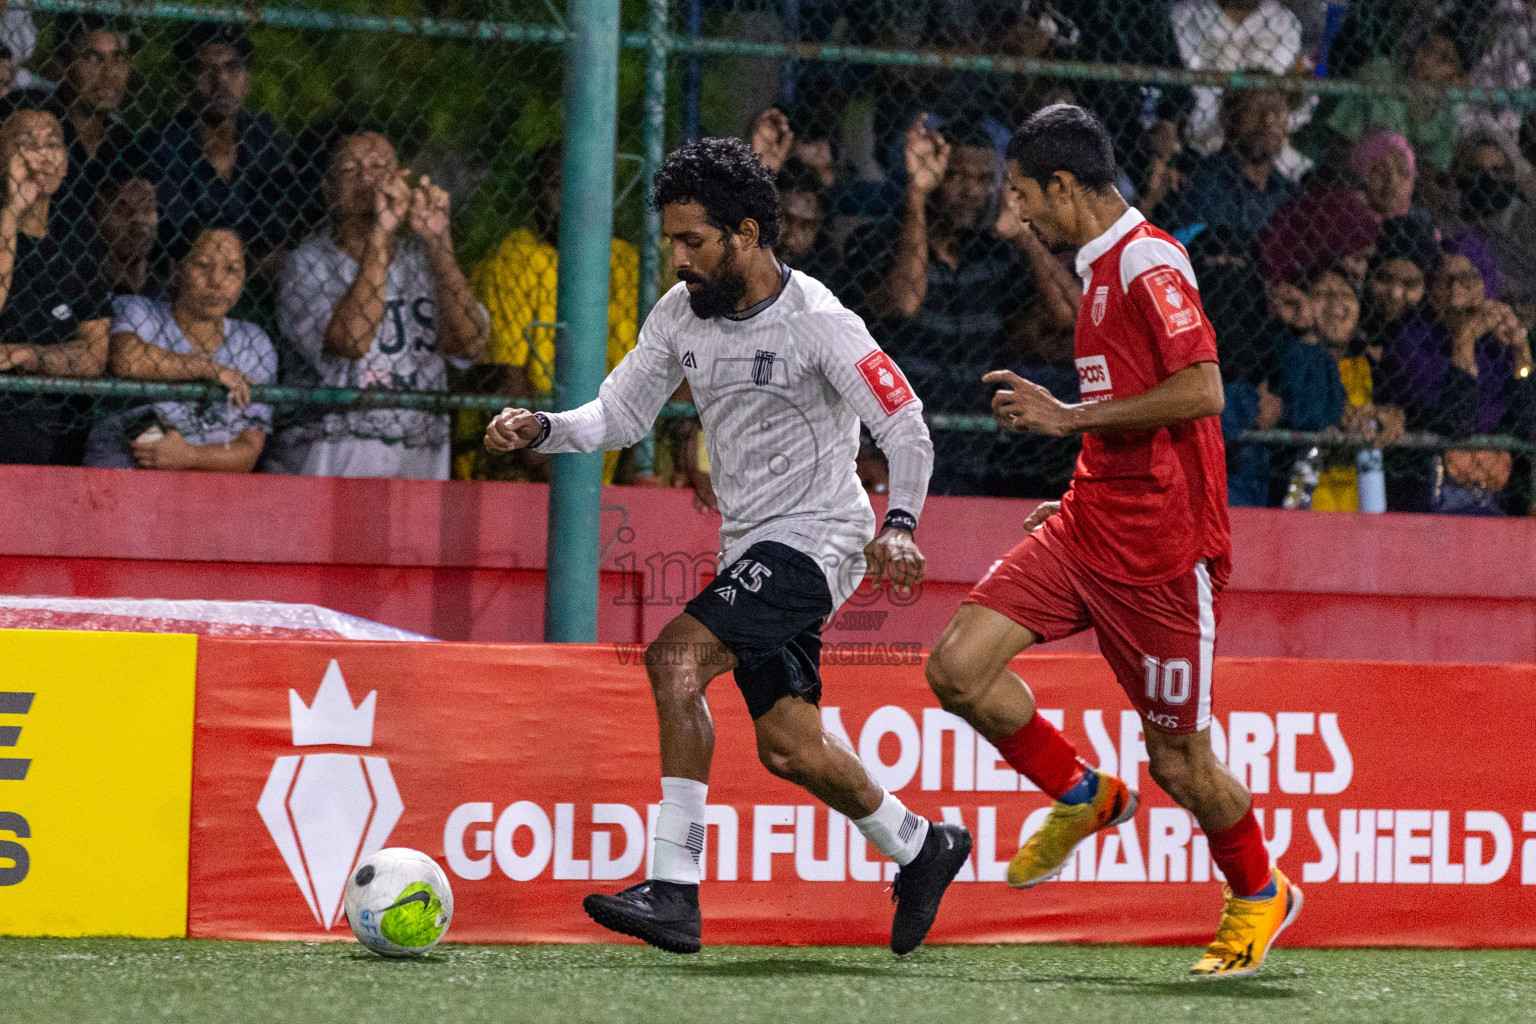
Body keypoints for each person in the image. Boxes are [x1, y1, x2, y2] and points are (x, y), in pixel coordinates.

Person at [484, 137, 968, 956]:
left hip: (822, 540)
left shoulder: (820, 321)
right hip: (751, 544)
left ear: (745, 233)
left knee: (675, 661)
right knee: (789, 744)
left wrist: (900, 526)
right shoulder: (680, 314)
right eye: (672, 240)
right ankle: (922, 846)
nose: (676, 259)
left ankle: (674, 886)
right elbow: (621, 416)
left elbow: (906, 424)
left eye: (692, 242)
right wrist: (545, 426)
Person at [921, 105, 1300, 980]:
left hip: (1163, 558)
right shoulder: (1094, 270)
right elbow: (1129, 416)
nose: (1016, 216)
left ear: (1064, 186)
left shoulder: (1148, 261)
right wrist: (1077, 483)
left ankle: (1258, 893)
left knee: (1180, 759)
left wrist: (1068, 417)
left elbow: (1203, 390)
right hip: (1088, 525)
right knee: (956, 669)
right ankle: (1084, 794)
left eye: (1022, 197)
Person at [865, 114, 1077, 495]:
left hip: (968, 459)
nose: (970, 192)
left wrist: (1024, 235)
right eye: (957, 177)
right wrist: (916, 193)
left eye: (982, 181)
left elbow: (1071, 314)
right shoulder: (885, 241)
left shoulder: (993, 257)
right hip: (893, 451)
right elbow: (906, 301)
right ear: (935, 177)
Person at [270, 131, 487, 478]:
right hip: (333, 457)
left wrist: (438, 243)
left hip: (419, 455)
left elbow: (469, 342)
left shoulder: (422, 260)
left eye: (378, 167)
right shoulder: (306, 263)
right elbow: (352, 342)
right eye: (349, 170)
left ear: (400, 179)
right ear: (328, 191)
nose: (366, 178)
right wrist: (382, 233)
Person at [457, 142, 639, 483]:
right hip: (522, 474)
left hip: (602, 470)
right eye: (558, 185)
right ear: (534, 193)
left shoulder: (627, 264)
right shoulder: (515, 259)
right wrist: (560, 474)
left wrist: (633, 468)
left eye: (586, 187)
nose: (573, 198)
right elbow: (505, 379)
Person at [84, 226, 275, 472]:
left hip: (205, 492)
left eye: (231, 269)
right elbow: (125, 359)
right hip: (123, 479)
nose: (216, 281)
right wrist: (209, 368)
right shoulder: (137, 311)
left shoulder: (253, 341)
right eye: (203, 265)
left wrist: (189, 456)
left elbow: (248, 451)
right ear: (175, 270)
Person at [1380, 251, 1536, 513]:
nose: (1456, 291)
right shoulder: (1412, 342)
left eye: (1468, 279)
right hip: (1432, 492)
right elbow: (1456, 423)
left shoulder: (1498, 346)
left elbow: (1527, 420)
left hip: (1496, 492)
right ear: (1432, 292)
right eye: (1445, 281)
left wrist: (1521, 348)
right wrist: (1464, 339)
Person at [0, 109, 112, 465]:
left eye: (53, 144)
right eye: (26, 144)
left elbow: (95, 355)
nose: (43, 155)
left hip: (55, 423)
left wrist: (30, 356)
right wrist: (11, 211)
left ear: (65, 161)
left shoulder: (77, 236)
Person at [145, 23, 296, 279]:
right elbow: (180, 236)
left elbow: (281, 217)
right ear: (185, 81)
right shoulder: (163, 144)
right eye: (206, 70)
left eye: (232, 68)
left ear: (247, 79)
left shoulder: (264, 136)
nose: (221, 81)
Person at [43, 14, 142, 234]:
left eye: (118, 59)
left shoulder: (126, 144)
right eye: (92, 58)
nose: (108, 75)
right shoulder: (39, 127)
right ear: (64, 63)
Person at [1159, 89, 1297, 241]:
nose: (1268, 122)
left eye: (1277, 114)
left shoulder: (1289, 193)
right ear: (1228, 117)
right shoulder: (1201, 180)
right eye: (1256, 111)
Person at [93, 175, 166, 299]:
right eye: (122, 209)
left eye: (147, 208)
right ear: (99, 214)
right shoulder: (88, 287)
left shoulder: (168, 293)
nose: (138, 218)